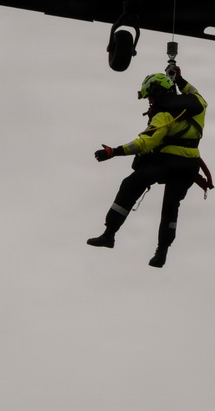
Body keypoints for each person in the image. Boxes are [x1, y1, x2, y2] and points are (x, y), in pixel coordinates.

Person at [88, 66, 208, 268]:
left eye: (150, 97)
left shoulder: (164, 114)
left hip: (168, 163)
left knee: (131, 184)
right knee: (171, 206)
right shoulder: (199, 104)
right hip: (190, 166)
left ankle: (109, 234)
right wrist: (179, 79)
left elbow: (146, 143)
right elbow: (194, 91)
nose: (150, 102)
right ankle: (162, 251)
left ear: (158, 93)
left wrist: (114, 152)